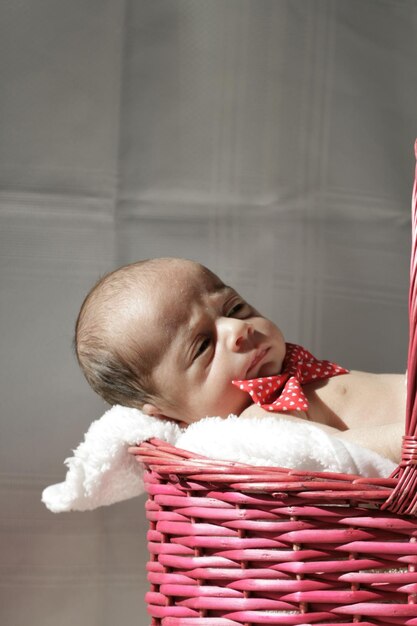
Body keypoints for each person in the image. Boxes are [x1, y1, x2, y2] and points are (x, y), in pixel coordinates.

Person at [75, 257, 405, 463]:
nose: (238, 329)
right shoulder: (261, 420)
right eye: (203, 345)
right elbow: (343, 453)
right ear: (166, 412)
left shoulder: (291, 371)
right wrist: (406, 444)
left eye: (234, 308)